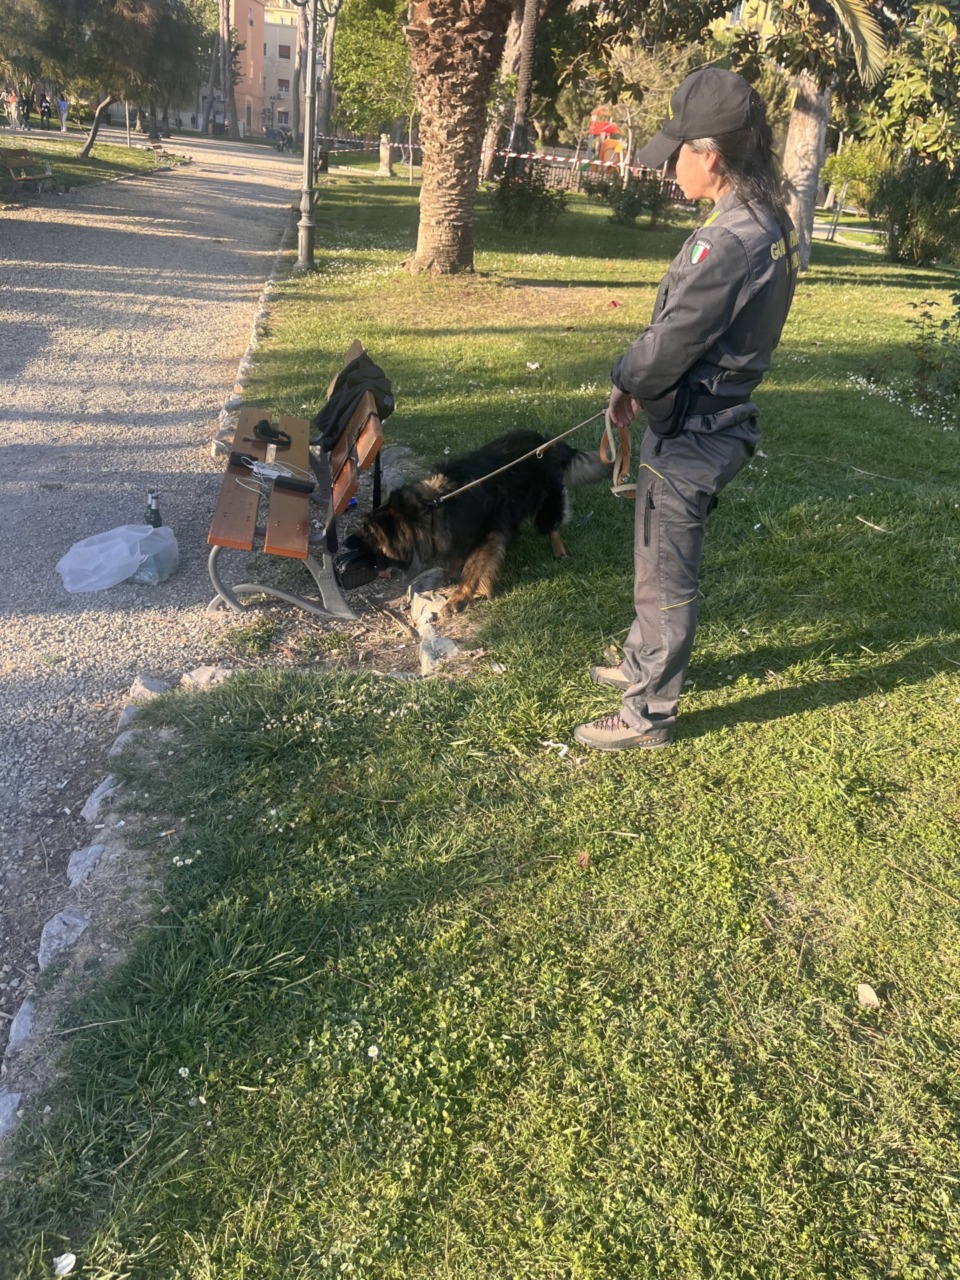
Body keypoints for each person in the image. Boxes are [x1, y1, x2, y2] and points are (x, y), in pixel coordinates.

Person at [574, 66, 799, 752]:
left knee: (667, 573)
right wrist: (637, 386)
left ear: (712, 155)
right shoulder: (764, 223)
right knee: (653, 554)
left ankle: (648, 717)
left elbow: (669, 344)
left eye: (679, 149)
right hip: (707, 419)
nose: (671, 163)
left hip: (695, 433)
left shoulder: (727, 242)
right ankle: (641, 667)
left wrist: (625, 376)